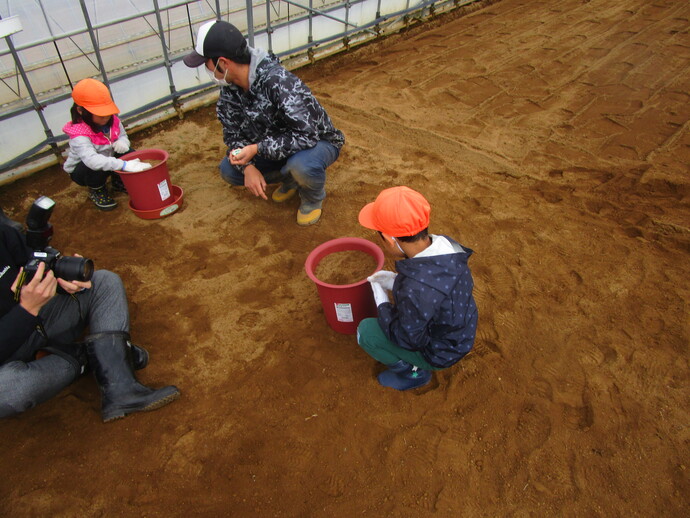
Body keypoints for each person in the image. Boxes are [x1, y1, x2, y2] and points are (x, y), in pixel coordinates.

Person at [0, 222, 180, 422]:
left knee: (103, 282)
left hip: (37, 317)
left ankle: (122, 390)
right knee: (11, 390)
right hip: (9, 352)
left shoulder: (3, 231)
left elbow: (33, 264)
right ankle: (89, 357)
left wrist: (62, 280)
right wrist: (26, 311)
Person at [183, 20, 345, 226]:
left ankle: (312, 198)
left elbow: (307, 135)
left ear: (223, 62)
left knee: (302, 165)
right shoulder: (229, 91)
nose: (205, 68)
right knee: (229, 170)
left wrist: (257, 148)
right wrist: (248, 167)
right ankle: (290, 179)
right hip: (274, 147)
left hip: (319, 143)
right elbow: (232, 135)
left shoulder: (278, 82)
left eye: (206, 62)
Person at [356, 186, 478, 390]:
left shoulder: (416, 289)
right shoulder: (447, 246)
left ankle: (414, 374)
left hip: (439, 353)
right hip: (460, 335)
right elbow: (434, 291)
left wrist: (383, 304)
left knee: (366, 332)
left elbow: (408, 339)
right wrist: (397, 282)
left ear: (389, 239)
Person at [62, 78, 151, 211]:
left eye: (107, 113)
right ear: (81, 111)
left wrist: (122, 142)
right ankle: (97, 189)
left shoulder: (112, 120)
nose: (106, 117)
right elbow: (92, 160)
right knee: (94, 169)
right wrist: (124, 165)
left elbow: (122, 135)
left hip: (108, 157)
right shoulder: (79, 135)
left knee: (129, 152)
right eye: (100, 114)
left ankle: (118, 181)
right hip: (83, 169)